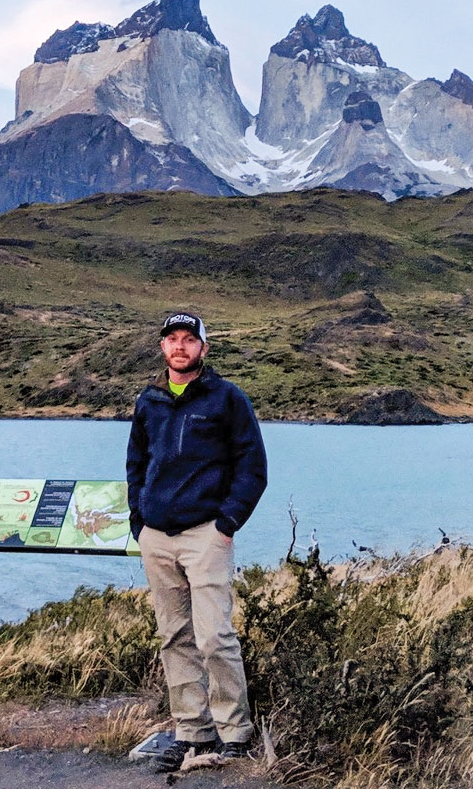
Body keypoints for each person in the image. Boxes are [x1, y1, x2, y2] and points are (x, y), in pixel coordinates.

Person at [126, 312, 268, 773]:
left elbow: (253, 467)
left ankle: (235, 732)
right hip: (157, 537)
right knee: (174, 636)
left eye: (190, 339)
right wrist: (138, 521)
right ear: (163, 348)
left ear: (204, 349)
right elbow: (136, 464)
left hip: (207, 533)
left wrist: (227, 522)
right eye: (173, 340)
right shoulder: (148, 401)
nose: (180, 347)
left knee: (214, 636)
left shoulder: (227, 399)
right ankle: (192, 730)